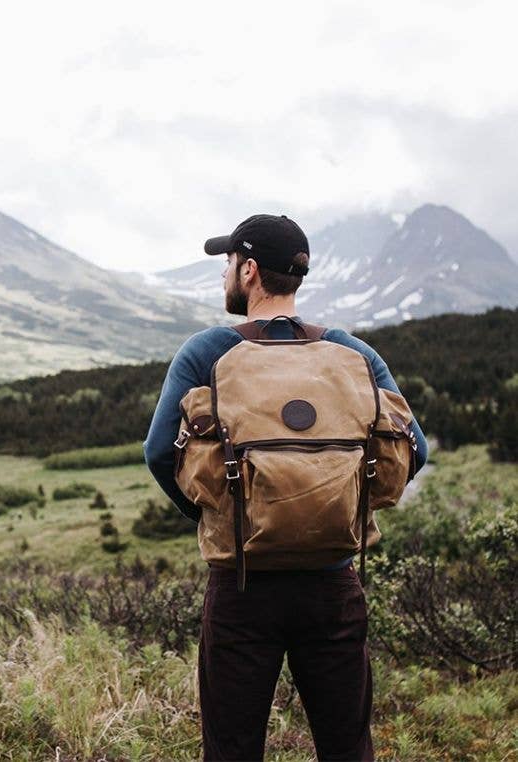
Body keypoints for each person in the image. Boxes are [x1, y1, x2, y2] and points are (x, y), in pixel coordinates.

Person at [143, 214, 428, 762]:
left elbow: (158, 454)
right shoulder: (353, 353)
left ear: (248, 271)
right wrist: (344, 505)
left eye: (228, 262)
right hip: (332, 586)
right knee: (347, 747)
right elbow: (416, 450)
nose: (225, 273)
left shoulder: (206, 352)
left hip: (241, 584)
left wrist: (222, 515)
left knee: (233, 749)